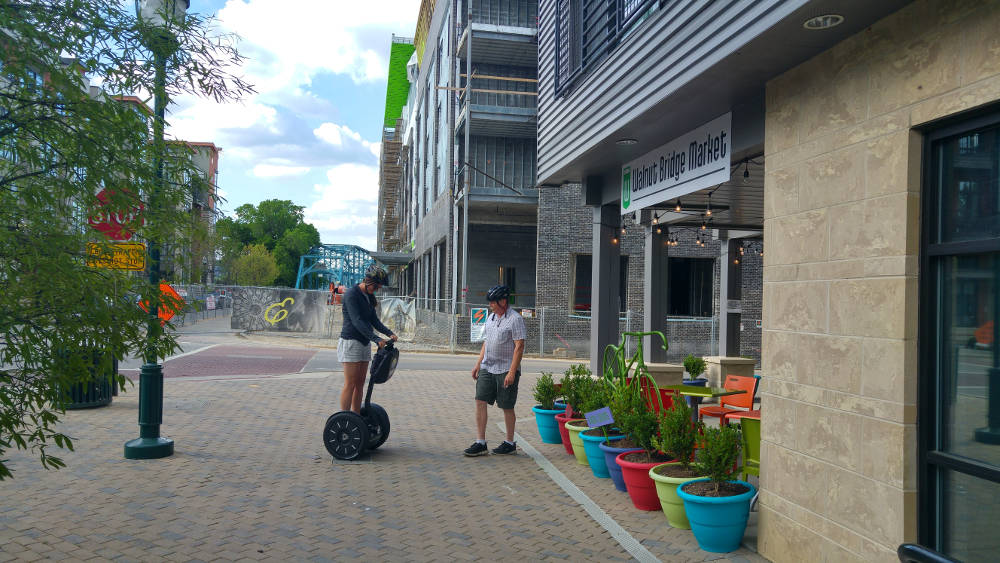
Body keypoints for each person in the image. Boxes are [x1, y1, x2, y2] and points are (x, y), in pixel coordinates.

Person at [464, 284, 526, 456]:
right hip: (487, 367)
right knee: (480, 400)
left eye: (493, 302)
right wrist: (478, 364)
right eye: (490, 302)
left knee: (507, 406)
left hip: (506, 368)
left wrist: (512, 372)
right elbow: (487, 342)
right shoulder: (490, 318)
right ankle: (480, 442)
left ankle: (509, 442)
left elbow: (519, 347)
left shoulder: (515, 319)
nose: (490, 305)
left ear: (503, 301)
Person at [338, 265, 398, 413]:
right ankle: (345, 417)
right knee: (350, 383)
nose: (377, 289)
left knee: (360, 383)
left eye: (379, 287)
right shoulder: (352, 294)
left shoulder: (368, 297)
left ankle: (356, 416)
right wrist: (376, 339)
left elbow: (374, 320)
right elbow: (356, 320)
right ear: (368, 280)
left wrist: (389, 333)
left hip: (364, 342)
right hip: (351, 341)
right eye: (376, 286)